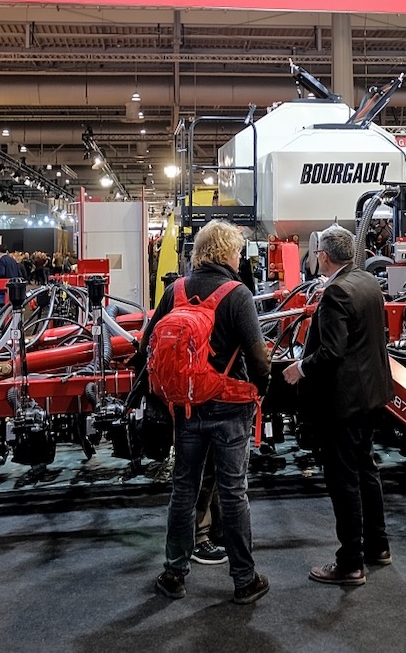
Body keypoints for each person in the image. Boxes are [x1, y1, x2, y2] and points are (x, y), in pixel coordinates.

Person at [141, 219, 270, 605]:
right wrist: (260, 392)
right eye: (237, 249)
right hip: (230, 409)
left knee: (184, 488)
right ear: (227, 251)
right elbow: (258, 357)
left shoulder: (174, 290)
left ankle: (174, 573)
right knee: (233, 492)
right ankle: (244, 580)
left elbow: (146, 347)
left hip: (187, 408)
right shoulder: (237, 293)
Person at [282, 225, 390, 587]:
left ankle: (350, 563)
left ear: (324, 257)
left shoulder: (337, 293)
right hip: (372, 396)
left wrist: (299, 368)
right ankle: (378, 546)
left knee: (343, 480)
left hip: (344, 403)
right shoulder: (368, 282)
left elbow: (330, 353)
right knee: (365, 470)